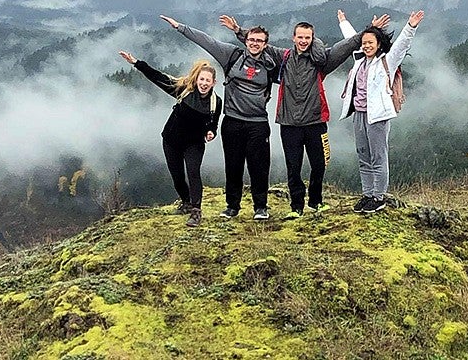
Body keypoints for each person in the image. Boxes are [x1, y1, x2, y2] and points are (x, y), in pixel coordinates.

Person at [219, 12, 390, 219]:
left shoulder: (322, 61)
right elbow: (257, 43)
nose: (303, 41)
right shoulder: (284, 57)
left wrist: (369, 30)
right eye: (300, 37)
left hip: (316, 122)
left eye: (307, 37)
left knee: (319, 164)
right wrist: (238, 31)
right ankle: (296, 206)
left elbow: (347, 46)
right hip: (289, 123)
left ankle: (316, 201)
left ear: (312, 39)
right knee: (294, 167)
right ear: (293, 38)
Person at [158, 15, 298, 220]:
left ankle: (261, 207)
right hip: (232, 120)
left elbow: (296, 74)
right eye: (251, 39)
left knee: (259, 166)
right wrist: (180, 27)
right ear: (246, 40)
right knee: (233, 165)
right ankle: (232, 206)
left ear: (265, 44)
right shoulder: (232, 56)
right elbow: (208, 41)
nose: (254, 44)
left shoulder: (271, 65)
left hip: (258, 122)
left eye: (259, 41)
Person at [119, 51, 222, 227]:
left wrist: (211, 132)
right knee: (177, 177)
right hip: (171, 140)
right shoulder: (184, 90)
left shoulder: (215, 102)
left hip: (194, 143)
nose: (204, 84)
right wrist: (136, 62)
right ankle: (186, 202)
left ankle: (196, 211)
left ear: (214, 83)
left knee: (193, 173)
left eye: (208, 81)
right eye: (201, 79)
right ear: (196, 79)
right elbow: (157, 77)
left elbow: (214, 123)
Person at [337, 9, 425, 213]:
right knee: (363, 155)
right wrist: (343, 21)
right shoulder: (359, 60)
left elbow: (402, 44)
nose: (367, 46)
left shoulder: (388, 61)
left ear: (378, 45)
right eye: (365, 43)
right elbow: (351, 38)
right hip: (358, 114)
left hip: (377, 116)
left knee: (378, 156)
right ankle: (367, 194)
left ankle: (378, 196)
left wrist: (411, 26)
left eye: (371, 43)